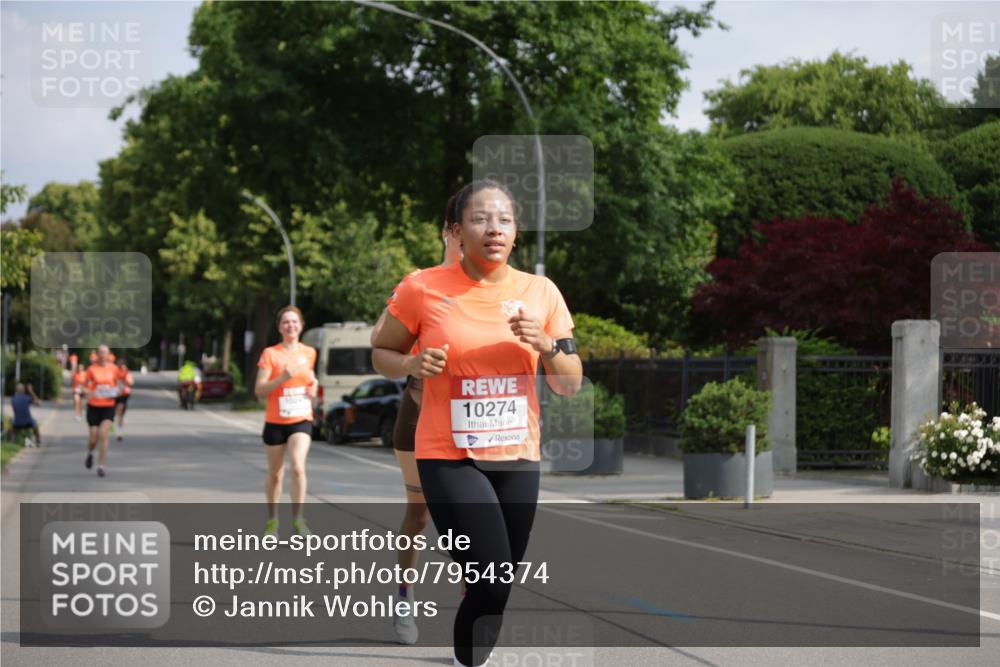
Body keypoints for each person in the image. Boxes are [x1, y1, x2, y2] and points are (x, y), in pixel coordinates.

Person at [373, 179, 582, 667]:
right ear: (458, 232)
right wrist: (410, 365)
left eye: (504, 220)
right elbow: (382, 352)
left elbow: (569, 383)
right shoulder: (421, 288)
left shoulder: (541, 292)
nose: (494, 229)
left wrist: (546, 346)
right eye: (480, 219)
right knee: (489, 576)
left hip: (517, 456)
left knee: (498, 584)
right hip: (449, 456)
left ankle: (469, 653)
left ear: (517, 232)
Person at [370, 201, 463, 645]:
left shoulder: (500, 287)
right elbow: (378, 343)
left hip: (471, 422)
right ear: (448, 232)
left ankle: (474, 618)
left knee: (471, 522)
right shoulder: (421, 284)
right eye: (467, 228)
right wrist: (411, 358)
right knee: (421, 514)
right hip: (420, 411)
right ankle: (404, 600)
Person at [255, 305, 319, 537]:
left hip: (301, 418)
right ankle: (272, 521)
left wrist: (314, 386)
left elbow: (310, 378)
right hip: (275, 421)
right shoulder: (270, 354)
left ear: (301, 325)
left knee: (298, 467)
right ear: (279, 327)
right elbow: (260, 390)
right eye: (285, 322)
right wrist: (283, 377)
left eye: (294, 321)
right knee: (275, 474)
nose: (290, 325)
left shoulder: (309, 352)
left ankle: (298, 520)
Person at [84, 344, 120, 477]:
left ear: (109, 354)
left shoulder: (114, 369)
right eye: (100, 352)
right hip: (93, 406)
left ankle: (101, 465)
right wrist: (89, 392)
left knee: (103, 433)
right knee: (93, 438)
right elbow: (84, 386)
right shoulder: (91, 369)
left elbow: (120, 384)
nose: (103, 355)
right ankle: (90, 452)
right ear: (97, 354)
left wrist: (118, 391)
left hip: (108, 406)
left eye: (105, 352)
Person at [11, 382, 42, 447]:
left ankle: (13, 440)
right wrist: (31, 391)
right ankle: (38, 440)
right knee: (35, 424)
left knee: (12, 422)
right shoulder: (27, 398)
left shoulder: (13, 398)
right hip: (28, 422)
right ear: (23, 390)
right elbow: (38, 403)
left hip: (17, 423)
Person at [113, 358, 134, 441]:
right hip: (114, 394)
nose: (121, 366)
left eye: (122, 364)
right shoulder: (113, 371)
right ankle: (115, 426)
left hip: (124, 394)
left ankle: (119, 432)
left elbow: (131, 382)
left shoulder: (126, 372)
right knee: (117, 413)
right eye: (119, 364)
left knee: (120, 412)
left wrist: (127, 381)